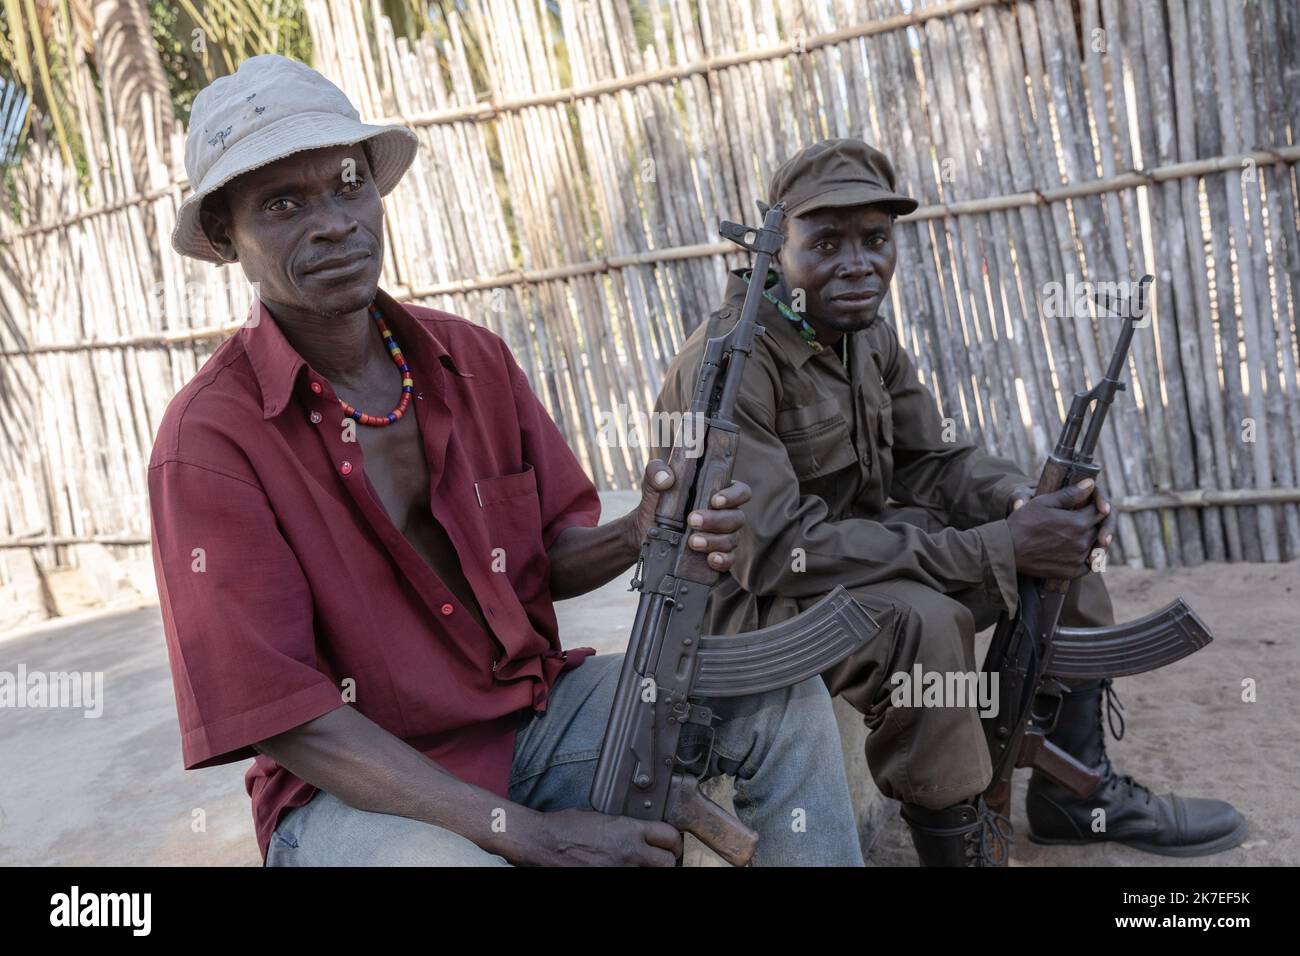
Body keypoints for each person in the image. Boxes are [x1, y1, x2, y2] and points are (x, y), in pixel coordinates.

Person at [149, 56, 863, 867]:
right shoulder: (209, 442)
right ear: (222, 234)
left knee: (779, 696)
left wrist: (642, 530)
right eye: (283, 204)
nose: (333, 223)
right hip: (355, 795)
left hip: (531, 719)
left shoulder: (470, 361)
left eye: (349, 185)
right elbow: (290, 717)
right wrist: (525, 833)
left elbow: (546, 556)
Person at [654, 138, 1247, 866]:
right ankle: (956, 847)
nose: (858, 263)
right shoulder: (732, 359)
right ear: (776, 246)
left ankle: (1076, 791)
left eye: (875, 239)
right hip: (750, 601)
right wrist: (995, 550)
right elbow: (774, 547)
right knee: (927, 621)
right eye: (827, 241)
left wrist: (1026, 502)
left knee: (1062, 540)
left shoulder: (862, 336)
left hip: (848, 555)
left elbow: (929, 462)